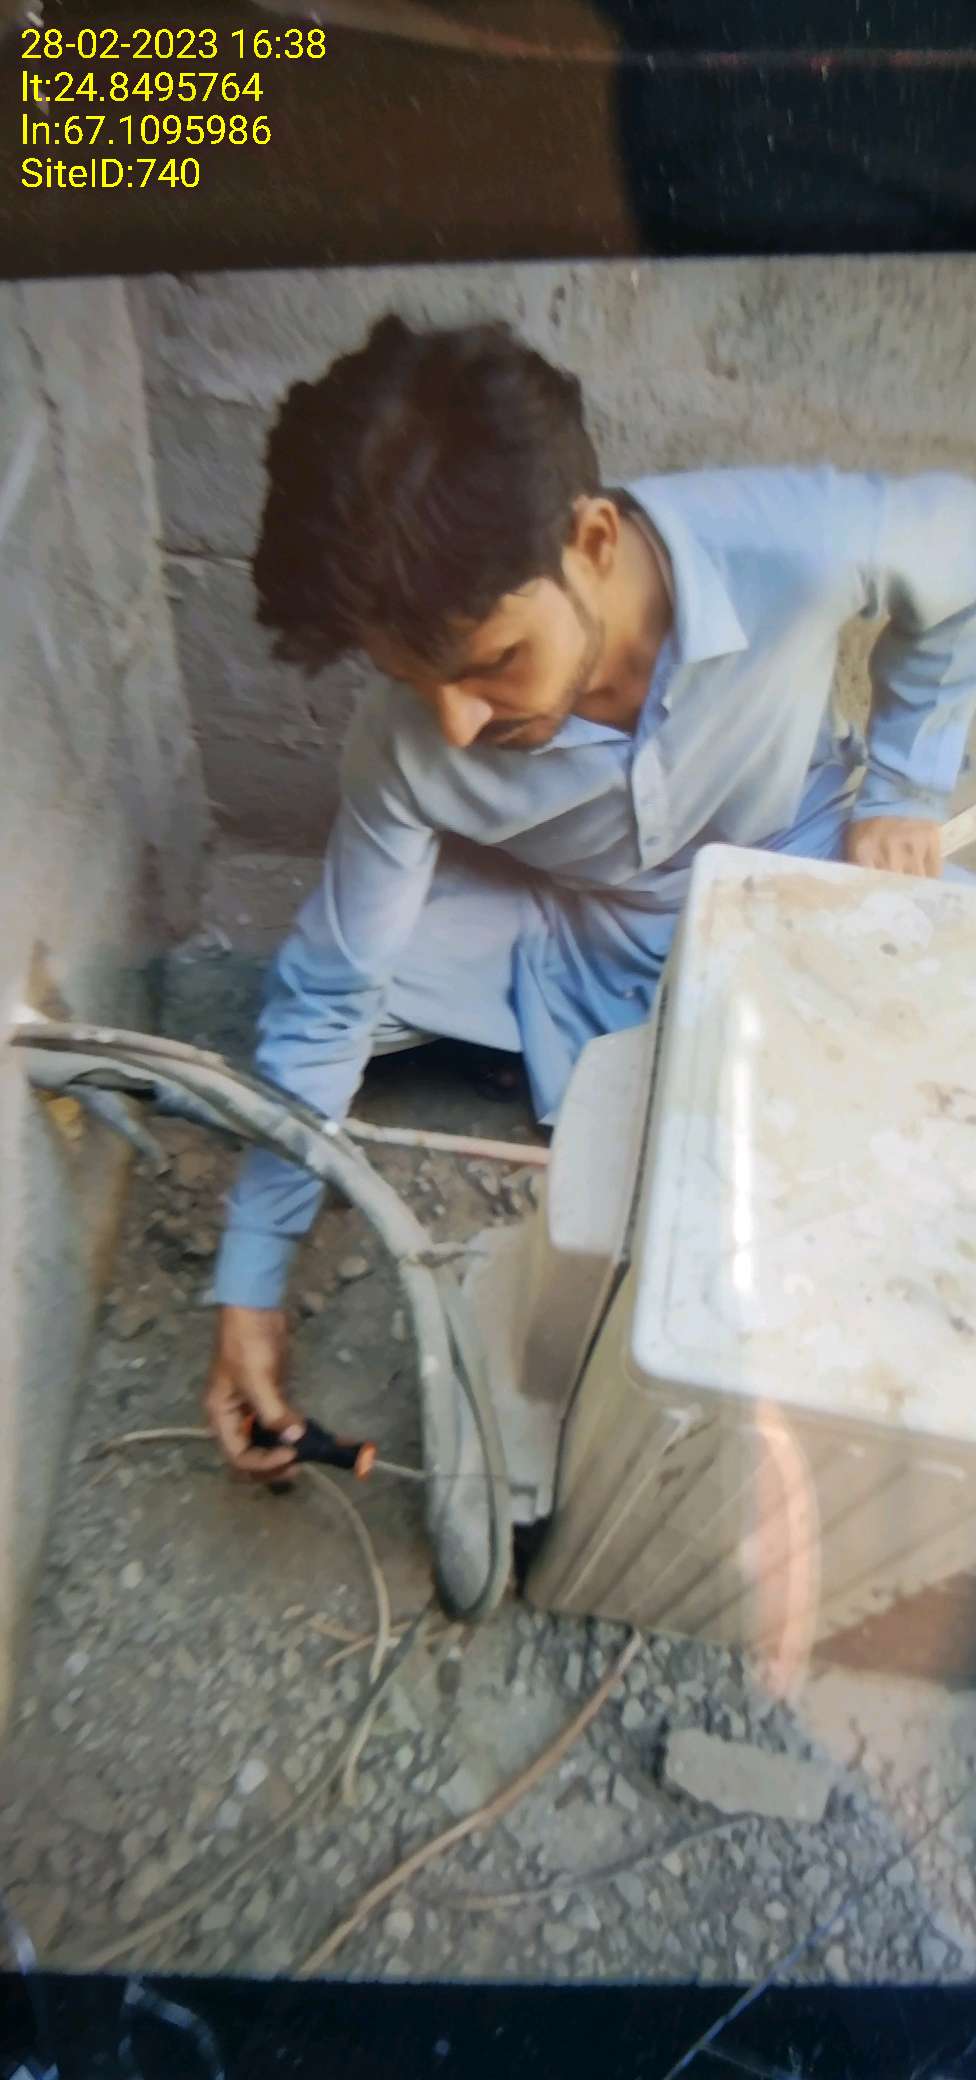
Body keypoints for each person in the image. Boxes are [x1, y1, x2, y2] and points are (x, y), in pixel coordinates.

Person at [204, 312, 976, 1480]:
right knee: (330, 979)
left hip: (794, 864)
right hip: (572, 922)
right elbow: (331, 989)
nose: (456, 724)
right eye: (415, 681)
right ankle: (630, 1042)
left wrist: (907, 789)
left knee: (943, 1023)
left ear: (593, 539)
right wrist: (248, 1285)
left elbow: (961, 557)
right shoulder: (408, 741)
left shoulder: (794, 540)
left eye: (490, 663)